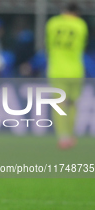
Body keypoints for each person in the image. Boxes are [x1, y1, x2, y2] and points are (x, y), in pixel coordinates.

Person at [45, 2, 88, 149]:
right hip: (75, 70)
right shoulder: (81, 25)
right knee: (73, 104)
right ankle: (71, 135)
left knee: (59, 104)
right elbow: (82, 46)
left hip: (57, 70)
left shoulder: (52, 23)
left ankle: (63, 137)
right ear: (77, 13)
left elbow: (49, 44)